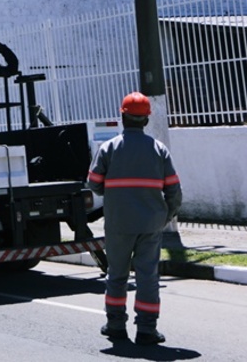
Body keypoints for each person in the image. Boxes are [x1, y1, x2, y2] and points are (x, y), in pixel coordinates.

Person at [88, 91, 182, 346]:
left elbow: (93, 183)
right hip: (150, 223)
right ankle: (147, 330)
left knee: (116, 275)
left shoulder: (109, 148)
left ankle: (116, 325)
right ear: (147, 120)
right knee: (148, 277)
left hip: (119, 223)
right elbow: (174, 190)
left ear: (123, 116)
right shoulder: (159, 149)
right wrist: (166, 215)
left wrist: (113, 193)